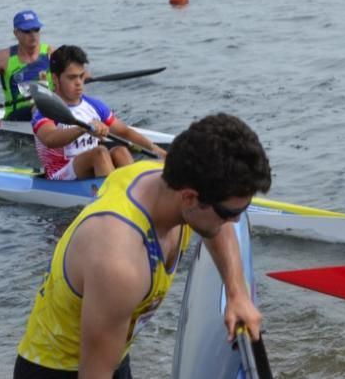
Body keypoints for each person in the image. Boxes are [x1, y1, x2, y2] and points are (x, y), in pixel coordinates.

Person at [14, 113, 272, 379]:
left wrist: (236, 294)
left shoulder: (171, 182)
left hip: (112, 349)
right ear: (190, 198)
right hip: (58, 370)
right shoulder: (119, 261)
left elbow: (220, 226)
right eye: (230, 211)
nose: (236, 219)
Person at [32, 45, 166, 180]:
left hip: (91, 170)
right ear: (55, 78)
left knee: (120, 151)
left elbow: (124, 132)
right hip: (59, 175)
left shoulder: (94, 106)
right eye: (72, 78)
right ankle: (113, 196)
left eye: (81, 76)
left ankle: (134, 192)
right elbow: (50, 139)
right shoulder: (45, 109)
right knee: (100, 152)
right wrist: (83, 128)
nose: (79, 83)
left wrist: (155, 149)